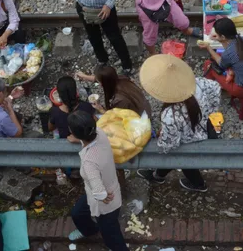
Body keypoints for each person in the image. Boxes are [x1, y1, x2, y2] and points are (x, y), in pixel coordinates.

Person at [136, 54, 220, 192]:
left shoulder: (170, 115)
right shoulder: (198, 83)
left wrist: (160, 143)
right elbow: (216, 88)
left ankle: (198, 184)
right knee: (177, 157)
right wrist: (208, 112)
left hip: (190, 141)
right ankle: (158, 175)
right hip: (204, 128)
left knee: (178, 157)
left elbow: (170, 144)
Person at [66, 111, 128, 251]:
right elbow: (88, 138)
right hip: (103, 188)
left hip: (104, 202)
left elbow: (99, 193)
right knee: (78, 213)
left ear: (73, 132)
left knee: (111, 235)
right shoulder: (99, 133)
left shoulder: (89, 163)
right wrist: (78, 139)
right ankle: (89, 230)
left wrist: (104, 196)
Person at [199, 18, 243, 98]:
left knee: (209, 64)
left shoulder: (228, 53)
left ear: (223, 37)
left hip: (242, 89)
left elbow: (221, 64)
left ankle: (209, 88)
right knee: (220, 58)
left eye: (216, 35)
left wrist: (208, 47)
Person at [76, 65, 152, 117]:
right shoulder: (122, 79)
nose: (98, 84)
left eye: (99, 82)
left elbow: (116, 118)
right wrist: (84, 76)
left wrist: (100, 109)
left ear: (104, 83)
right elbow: (100, 78)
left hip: (141, 118)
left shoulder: (119, 100)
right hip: (144, 106)